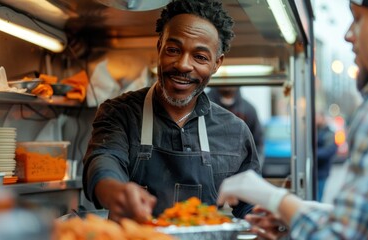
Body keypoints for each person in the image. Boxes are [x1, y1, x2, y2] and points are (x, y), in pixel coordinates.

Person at [218, 0, 368, 239]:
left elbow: (337, 236)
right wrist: (304, 212)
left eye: (358, 19)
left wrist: (274, 198)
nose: (349, 35)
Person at [82, 0, 260, 223]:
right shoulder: (119, 113)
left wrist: (270, 216)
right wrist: (116, 191)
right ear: (159, 48)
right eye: (173, 50)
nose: (183, 65)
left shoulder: (235, 132)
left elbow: (251, 205)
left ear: (217, 63)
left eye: (200, 57)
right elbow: (103, 161)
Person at [207, 87, 264, 164]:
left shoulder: (248, 110)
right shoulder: (203, 107)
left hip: (240, 171)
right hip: (208, 169)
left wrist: (253, 170)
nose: (227, 82)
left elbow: (258, 143)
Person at [315, 112, 337, 201]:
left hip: (321, 171)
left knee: (318, 197)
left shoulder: (329, 133)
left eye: (317, 117)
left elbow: (329, 151)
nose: (315, 119)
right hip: (314, 171)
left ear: (322, 118)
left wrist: (312, 154)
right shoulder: (313, 131)